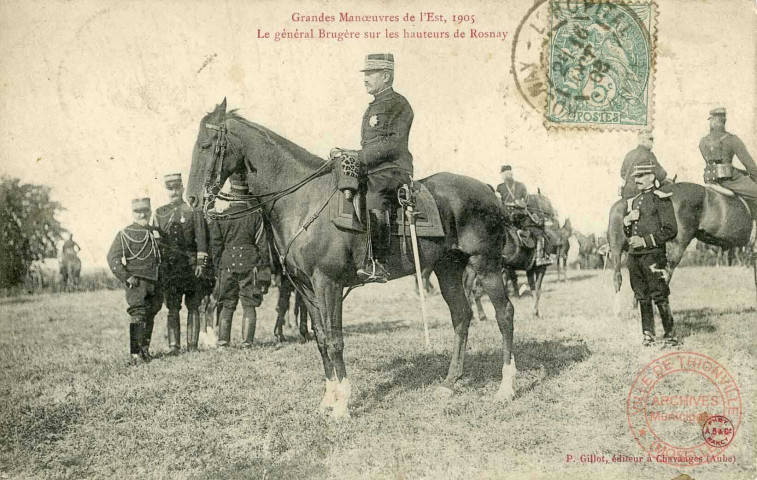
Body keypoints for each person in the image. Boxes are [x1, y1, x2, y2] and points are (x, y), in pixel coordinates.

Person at [333, 53, 414, 283]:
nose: (365, 78)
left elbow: (394, 144)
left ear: (386, 76)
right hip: (374, 167)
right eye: (365, 74)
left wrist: (360, 156)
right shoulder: (375, 105)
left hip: (394, 168)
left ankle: (378, 261)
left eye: (371, 74)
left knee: (374, 194)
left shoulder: (399, 104)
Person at [209, 173, 271, 348]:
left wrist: (219, 266)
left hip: (227, 265)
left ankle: (223, 341)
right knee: (249, 305)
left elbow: (216, 245)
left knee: (227, 304)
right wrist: (264, 269)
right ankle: (247, 343)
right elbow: (262, 245)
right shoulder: (255, 215)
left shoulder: (221, 216)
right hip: (250, 264)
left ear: (231, 192)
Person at [623, 161, 679, 347]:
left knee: (659, 294)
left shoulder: (660, 199)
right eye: (635, 177)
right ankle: (648, 335)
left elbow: (670, 230)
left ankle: (670, 335)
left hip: (653, 255)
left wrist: (645, 241)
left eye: (640, 176)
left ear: (652, 177)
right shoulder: (632, 201)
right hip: (634, 256)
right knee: (641, 295)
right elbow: (629, 233)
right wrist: (627, 222)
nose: (636, 180)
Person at [152, 173, 209, 354]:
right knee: (173, 307)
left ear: (183, 189)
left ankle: (192, 345)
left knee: (193, 305)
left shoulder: (192, 212)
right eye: (170, 189)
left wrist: (201, 262)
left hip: (191, 266)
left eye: (177, 188)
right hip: (171, 268)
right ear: (166, 190)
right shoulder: (160, 214)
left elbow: (201, 239)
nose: (174, 192)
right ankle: (174, 346)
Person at [106, 198, 162, 365]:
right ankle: (135, 354)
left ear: (150, 211)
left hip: (155, 281)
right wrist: (126, 276)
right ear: (132, 213)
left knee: (151, 314)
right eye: (138, 211)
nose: (142, 214)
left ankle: (145, 350)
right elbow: (112, 257)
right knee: (138, 314)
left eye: (145, 210)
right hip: (137, 283)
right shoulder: (125, 234)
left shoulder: (155, 232)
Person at [699, 107, 757, 221]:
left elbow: (711, 161)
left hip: (710, 180)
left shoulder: (703, 141)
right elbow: (750, 166)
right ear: (723, 122)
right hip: (728, 181)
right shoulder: (732, 139)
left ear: (713, 121)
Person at [497, 166, 551, 266]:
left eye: (507, 173)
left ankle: (539, 257)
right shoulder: (499, 187)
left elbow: (527, 201)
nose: (506, 175)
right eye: (504, 173)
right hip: (505, 216)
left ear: (510, 173)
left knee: (537, 233)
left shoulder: (520, 186)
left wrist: (519, 204)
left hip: (519, 216)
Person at [620, 131, 669, 199]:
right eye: (651, 139)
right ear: (643, 140)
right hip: (642, 193)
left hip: (626, 193)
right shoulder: (648, 155)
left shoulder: (629, 154)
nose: (652, 142)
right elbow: (661, 175)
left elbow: (622, 173)